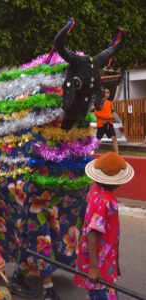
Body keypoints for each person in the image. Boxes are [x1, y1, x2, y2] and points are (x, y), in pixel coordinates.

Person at [73, 152, 134, 299]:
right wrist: (94, 268)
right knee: (104, 295)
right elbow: (92, 232)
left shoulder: (96, 190)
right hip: (100, 263)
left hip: (105, 259)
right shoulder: (103, 201)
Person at [94, 88, 119, 154]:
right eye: (104, 93)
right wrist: (108, 117)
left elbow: (111, 114)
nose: (106, 94)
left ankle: (117, 153)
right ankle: (92, 152)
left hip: (109, 123)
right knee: (97, 139)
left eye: (107, 93)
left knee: (114, 137)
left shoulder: (110, 103)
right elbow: (97, 113)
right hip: (101, 124)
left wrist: (108, 119)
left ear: (109, 94)